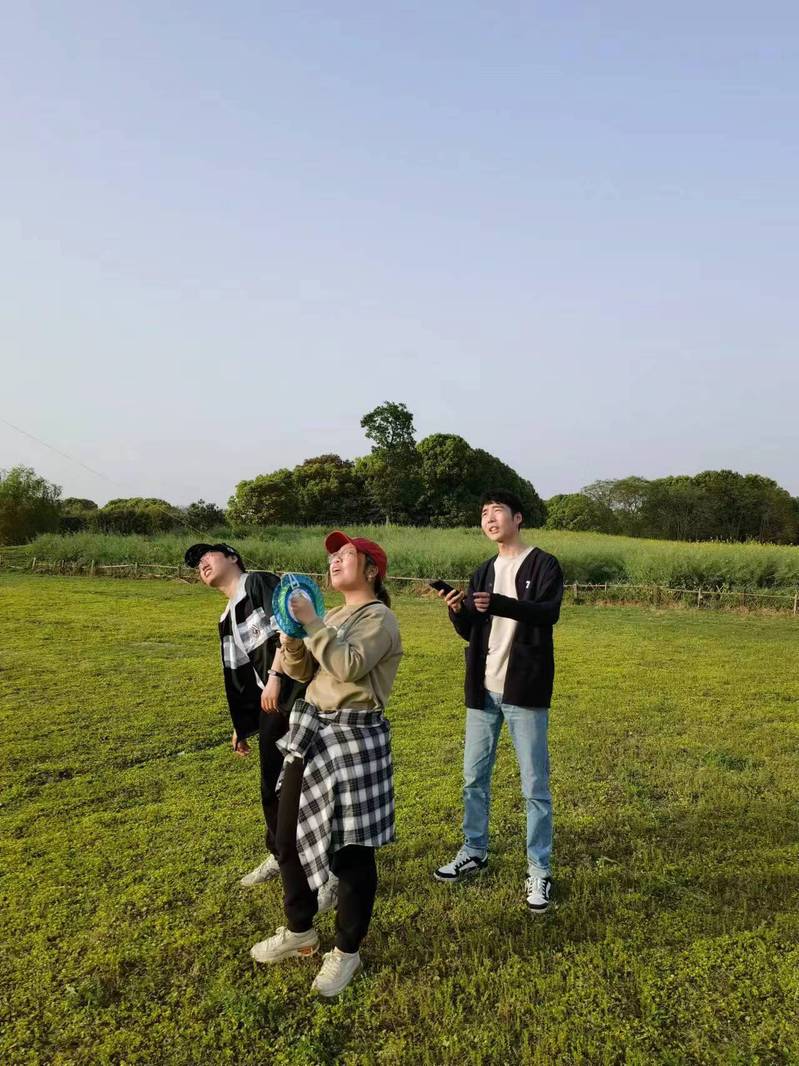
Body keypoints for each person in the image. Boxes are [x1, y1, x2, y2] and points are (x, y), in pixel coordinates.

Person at [249, 531, 403, 998]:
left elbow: (349, 666)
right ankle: (300, 929)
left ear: (371, 569)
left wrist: (312, 622)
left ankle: (346, 951)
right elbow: (302, 672)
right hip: (314, 730)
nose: (335, 560)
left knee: (352, 851)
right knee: (286, 835)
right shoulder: (333, 614)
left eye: (346, 554)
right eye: (333, 555)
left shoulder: (379, 617)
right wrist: (291, 637)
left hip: (354, 737)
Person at [185, 542, 336, 910]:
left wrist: (275, 676)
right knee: (271, 788)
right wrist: (243, 724)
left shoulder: (258, 583)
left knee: (307, 786)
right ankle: (281, 854)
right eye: (196, 564)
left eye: (208, 556)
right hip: (272, 704)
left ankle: (330, 872)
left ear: (232, 557)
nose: (202, 564)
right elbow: (239, 677)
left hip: (297, 692)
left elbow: (289, 626)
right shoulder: (226, 617)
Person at [432, 491, 564, 913]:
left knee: (534, 786)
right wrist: (458, 610)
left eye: (497, 512)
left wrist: (500, 604)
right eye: (484, 513)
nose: (489, 519)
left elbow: (548, 613)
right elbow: (472, 630)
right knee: (473, 778)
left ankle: (539, 870)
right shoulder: (483, 571)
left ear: (517, 518)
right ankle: (474, 850)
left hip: (524, 689)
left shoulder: (544, 564)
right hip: (483, 688)